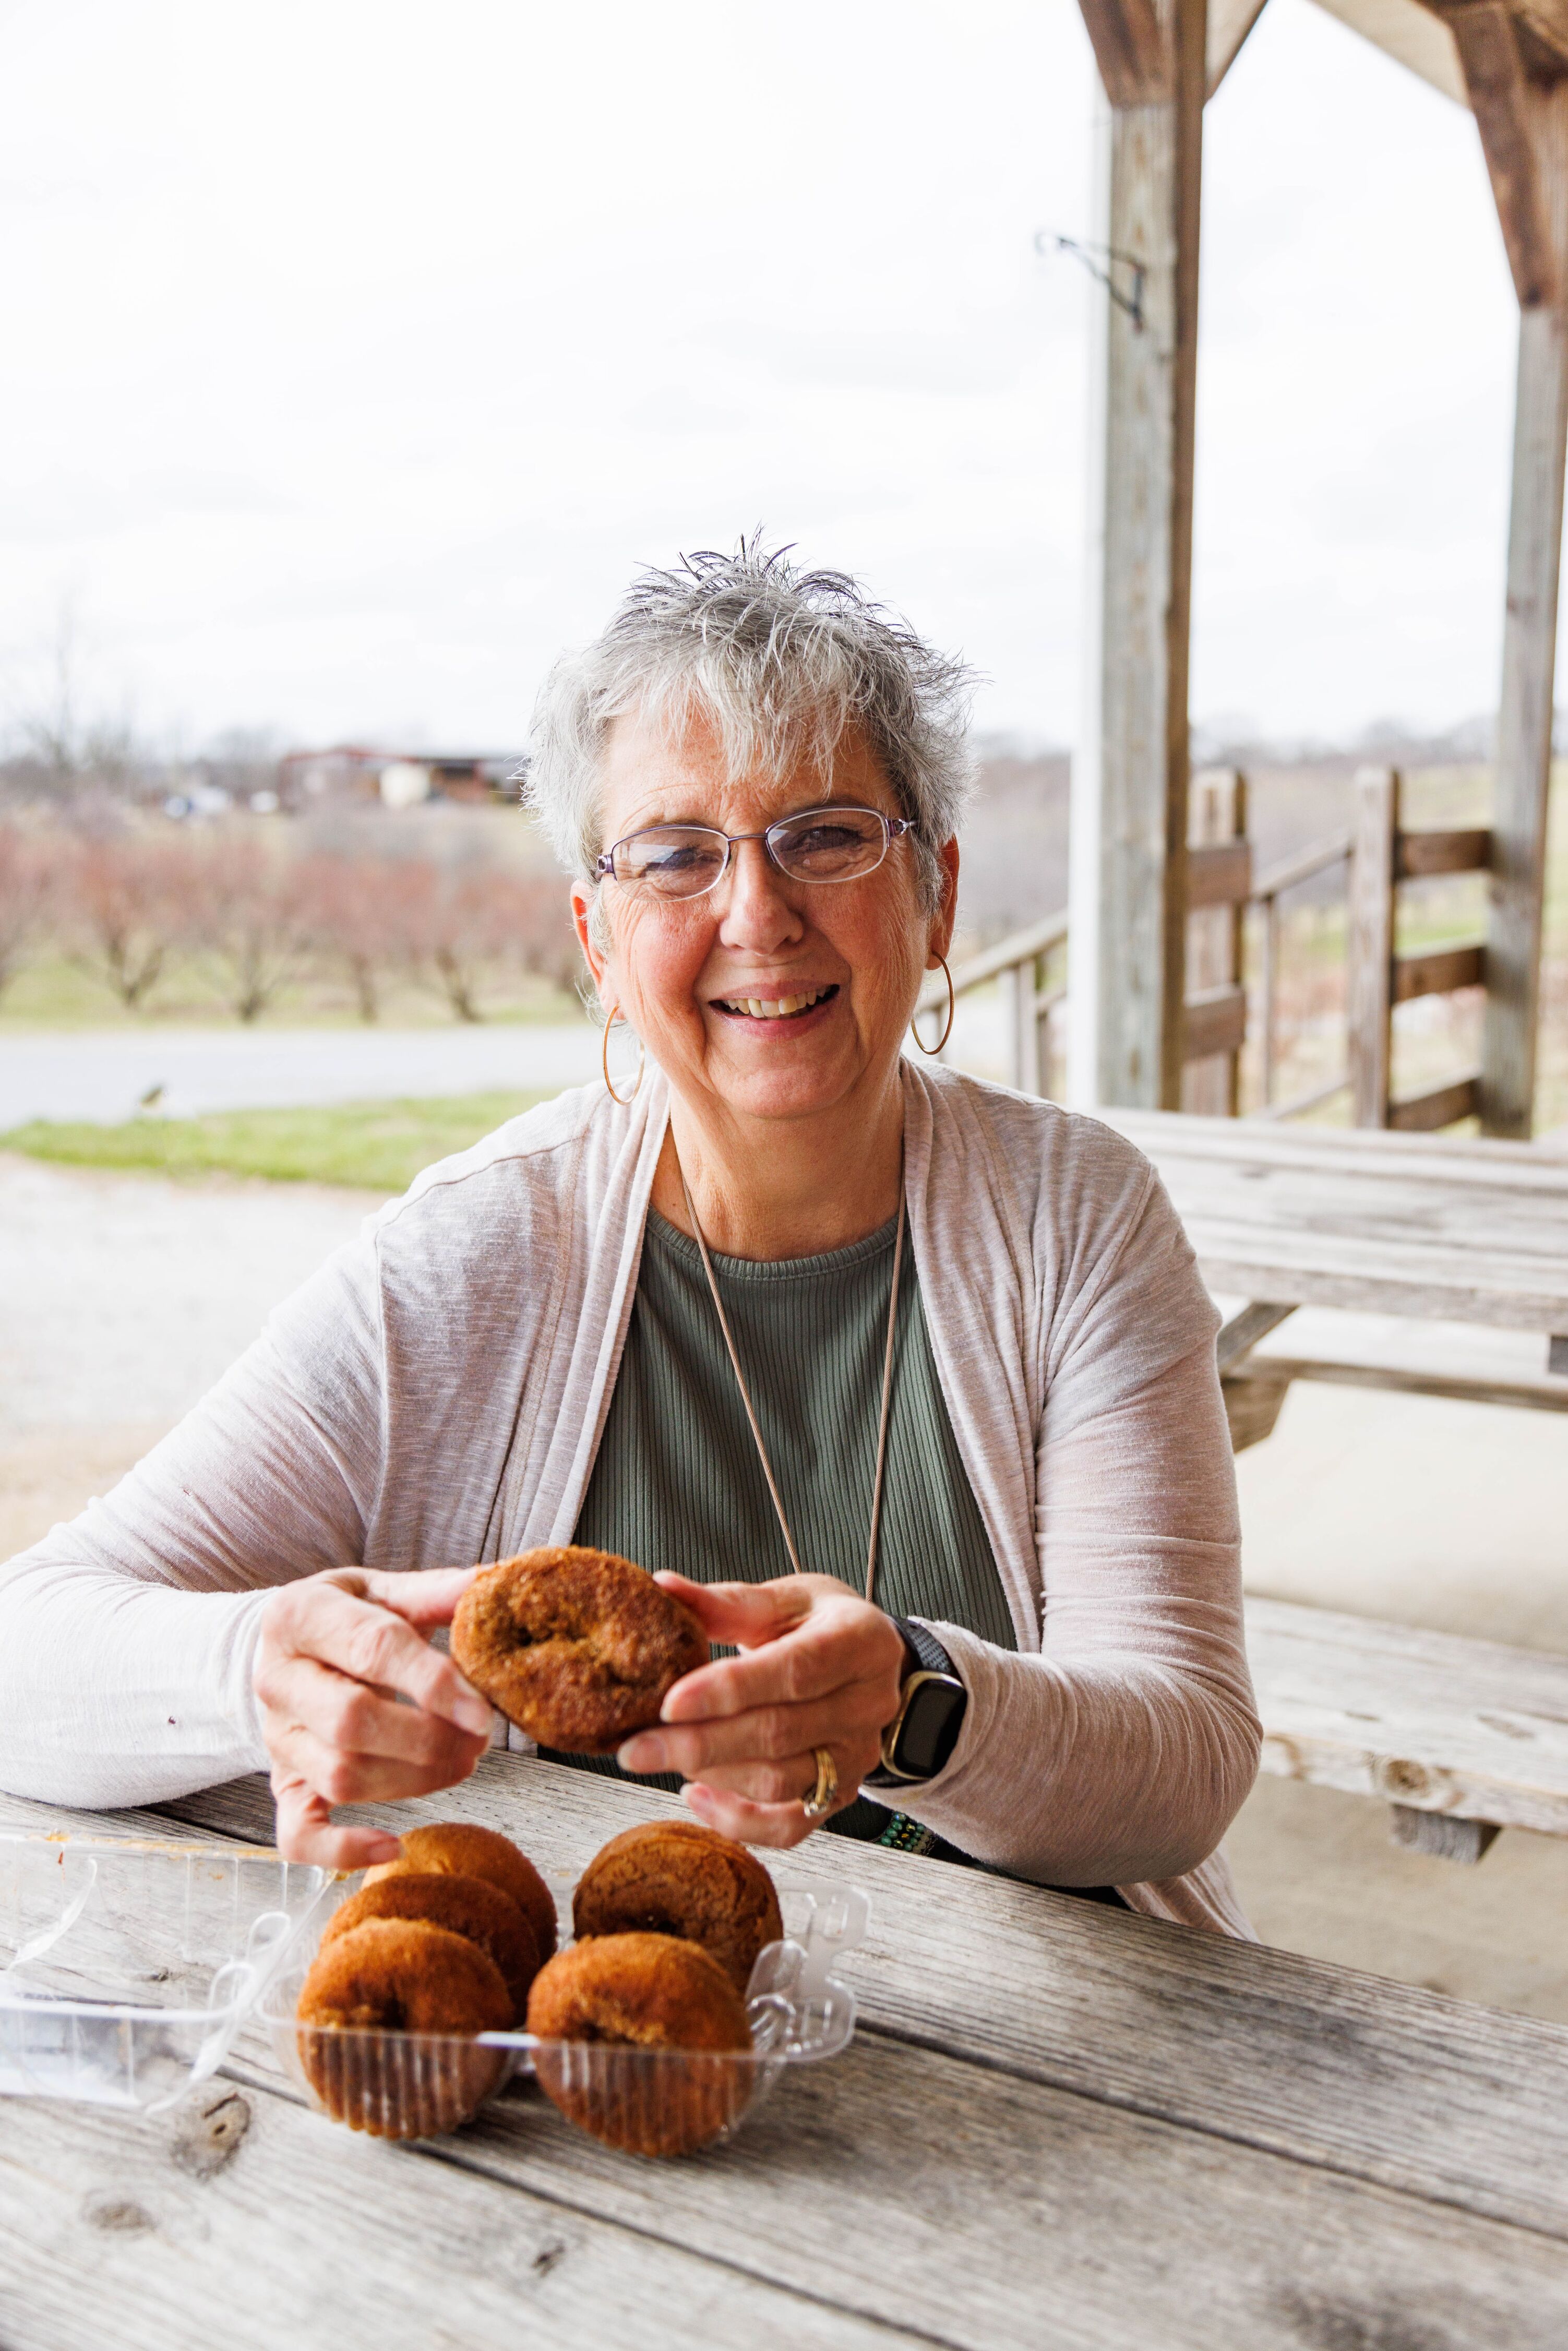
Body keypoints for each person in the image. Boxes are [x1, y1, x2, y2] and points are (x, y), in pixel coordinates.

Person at [0, 543, 1260, 1933]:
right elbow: (29, 1648)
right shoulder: (465, 1266)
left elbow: (1187, 1761)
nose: (758, 913)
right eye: (676, 855)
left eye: (827, 834)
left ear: (937, 894)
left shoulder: (1075, 1219)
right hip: (587, 2061)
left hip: (1061, 2050)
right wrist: (256, 1663)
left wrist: (921, 1702)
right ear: (597, 940)